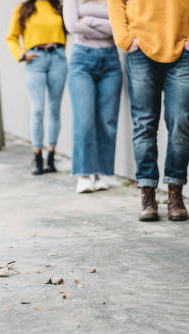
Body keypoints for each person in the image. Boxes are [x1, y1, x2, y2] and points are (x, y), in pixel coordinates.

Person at [107, 0, 189, 221]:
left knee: (180, 122)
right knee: (144, 124)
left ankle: (175, 193)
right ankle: (147, 194)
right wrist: (126, 40)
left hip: (182, 51)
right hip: (140, 51)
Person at [64, 0, 122, 193]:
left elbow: (121, 26)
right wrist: (108, 27)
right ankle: (84, 175)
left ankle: (99, 173)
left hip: (111, 61)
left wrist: (88, 20)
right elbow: (72, 25)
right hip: (82, 61)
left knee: (107, 120)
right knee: (84, 120)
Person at [7, 0, 68, 175]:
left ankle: (51, 156)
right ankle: (37, 156)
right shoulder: (23, 8)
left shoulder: (57, 7)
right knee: (37, 110)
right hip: (35, 60)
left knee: (54, 108)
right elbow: (11, 37)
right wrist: (20, 55)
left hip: (58, 57)